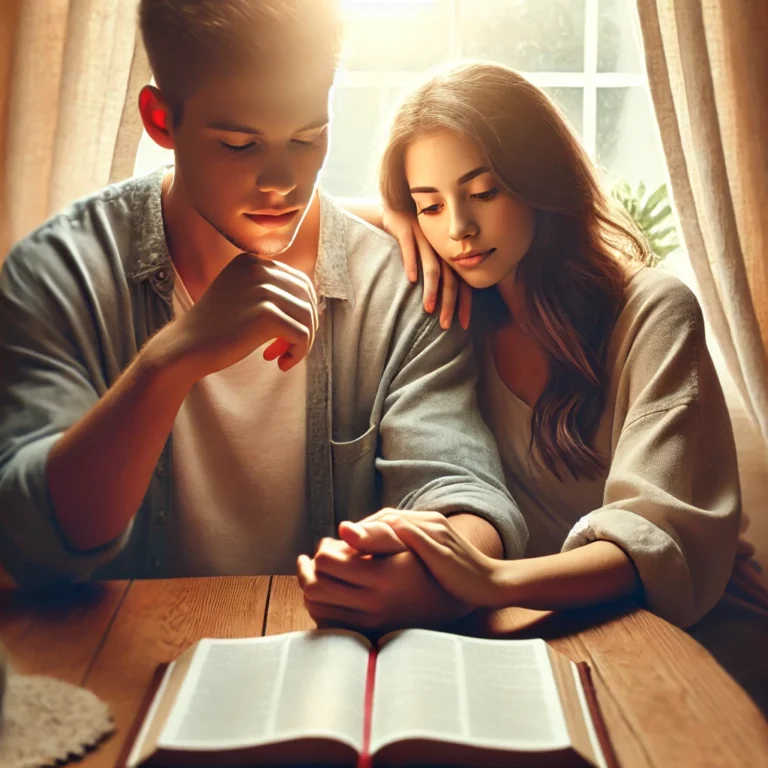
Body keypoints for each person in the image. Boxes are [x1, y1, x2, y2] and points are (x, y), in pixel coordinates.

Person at [0, 3, 526, 633]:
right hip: (120, 670)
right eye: (239, 144)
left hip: (327, 673)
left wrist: (432, 567)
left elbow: (465, 494)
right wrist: (171, 361)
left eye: (308, 138)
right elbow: (28, 544)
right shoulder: (62, 273)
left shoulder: (398, 282)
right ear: (161, 120)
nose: (283, 182)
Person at [304, 61, 741, 635]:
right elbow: (304, 219)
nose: (458, 228)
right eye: (429, 206)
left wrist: (490, 580)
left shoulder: (652, 311)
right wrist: (391, 215)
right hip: (515, 627)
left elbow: (655, 539)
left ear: (540, 180)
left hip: (669, 630)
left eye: (484, 192)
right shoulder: (454, 316)